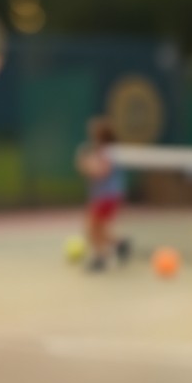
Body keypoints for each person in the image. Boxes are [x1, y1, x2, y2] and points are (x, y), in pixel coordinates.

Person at [75, 117, 131, 272]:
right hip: (106, 196)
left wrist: (84, 164)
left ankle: (101, 257)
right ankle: (120, 244)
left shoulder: (107, 151)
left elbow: (101, 171)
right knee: (100, 229)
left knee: (92, 228)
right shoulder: (102, 151)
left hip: (107, 196)